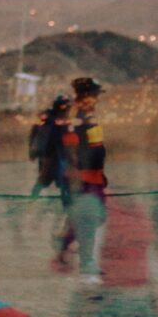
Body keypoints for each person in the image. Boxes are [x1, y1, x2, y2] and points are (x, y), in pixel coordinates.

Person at [57, 78, 107, 282]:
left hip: (92, 175)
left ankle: (64, 244)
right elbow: (71, 147)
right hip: (83, 176)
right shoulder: (76, 117)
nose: (96, 99)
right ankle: (86, 262)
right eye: (94, 95)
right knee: (89, 217)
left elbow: (97, 147)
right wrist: (77, 172)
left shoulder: (86, 116)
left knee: (86, 216)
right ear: (85, 96)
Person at [27, 94, 72, 205]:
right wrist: (33, 151)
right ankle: (32, 200)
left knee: (64, 181)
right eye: (62, 105)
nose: (65, 107)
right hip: (50, 154)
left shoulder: (65, 119)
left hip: (62, 154)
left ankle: (67, 203)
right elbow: (38, 134)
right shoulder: (49, 118)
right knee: (44, 179)